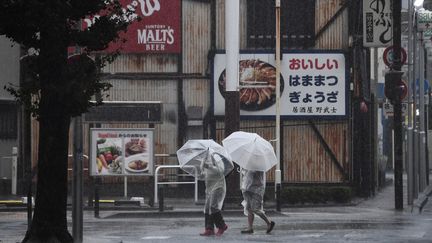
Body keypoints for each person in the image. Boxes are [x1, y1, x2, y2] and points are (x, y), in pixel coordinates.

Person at [198, 152, 228, 236]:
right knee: (207, 208)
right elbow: (205, 172)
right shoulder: (204, 158)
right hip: (209, 187)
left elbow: (221, 170)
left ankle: (222, 226)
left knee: (213, 206)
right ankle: (209, 228)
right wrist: (203, 173)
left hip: (218, 185)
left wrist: (209, 166)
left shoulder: (215, 157)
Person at [240, 168, 275, 234]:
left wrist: (249, 170)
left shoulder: (259, 166)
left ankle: (269, 223)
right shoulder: (250, 165)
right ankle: (250, 228)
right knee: (249, 209)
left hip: (257, 190)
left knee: (255, 209)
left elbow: (255, 175)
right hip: (249, 188)